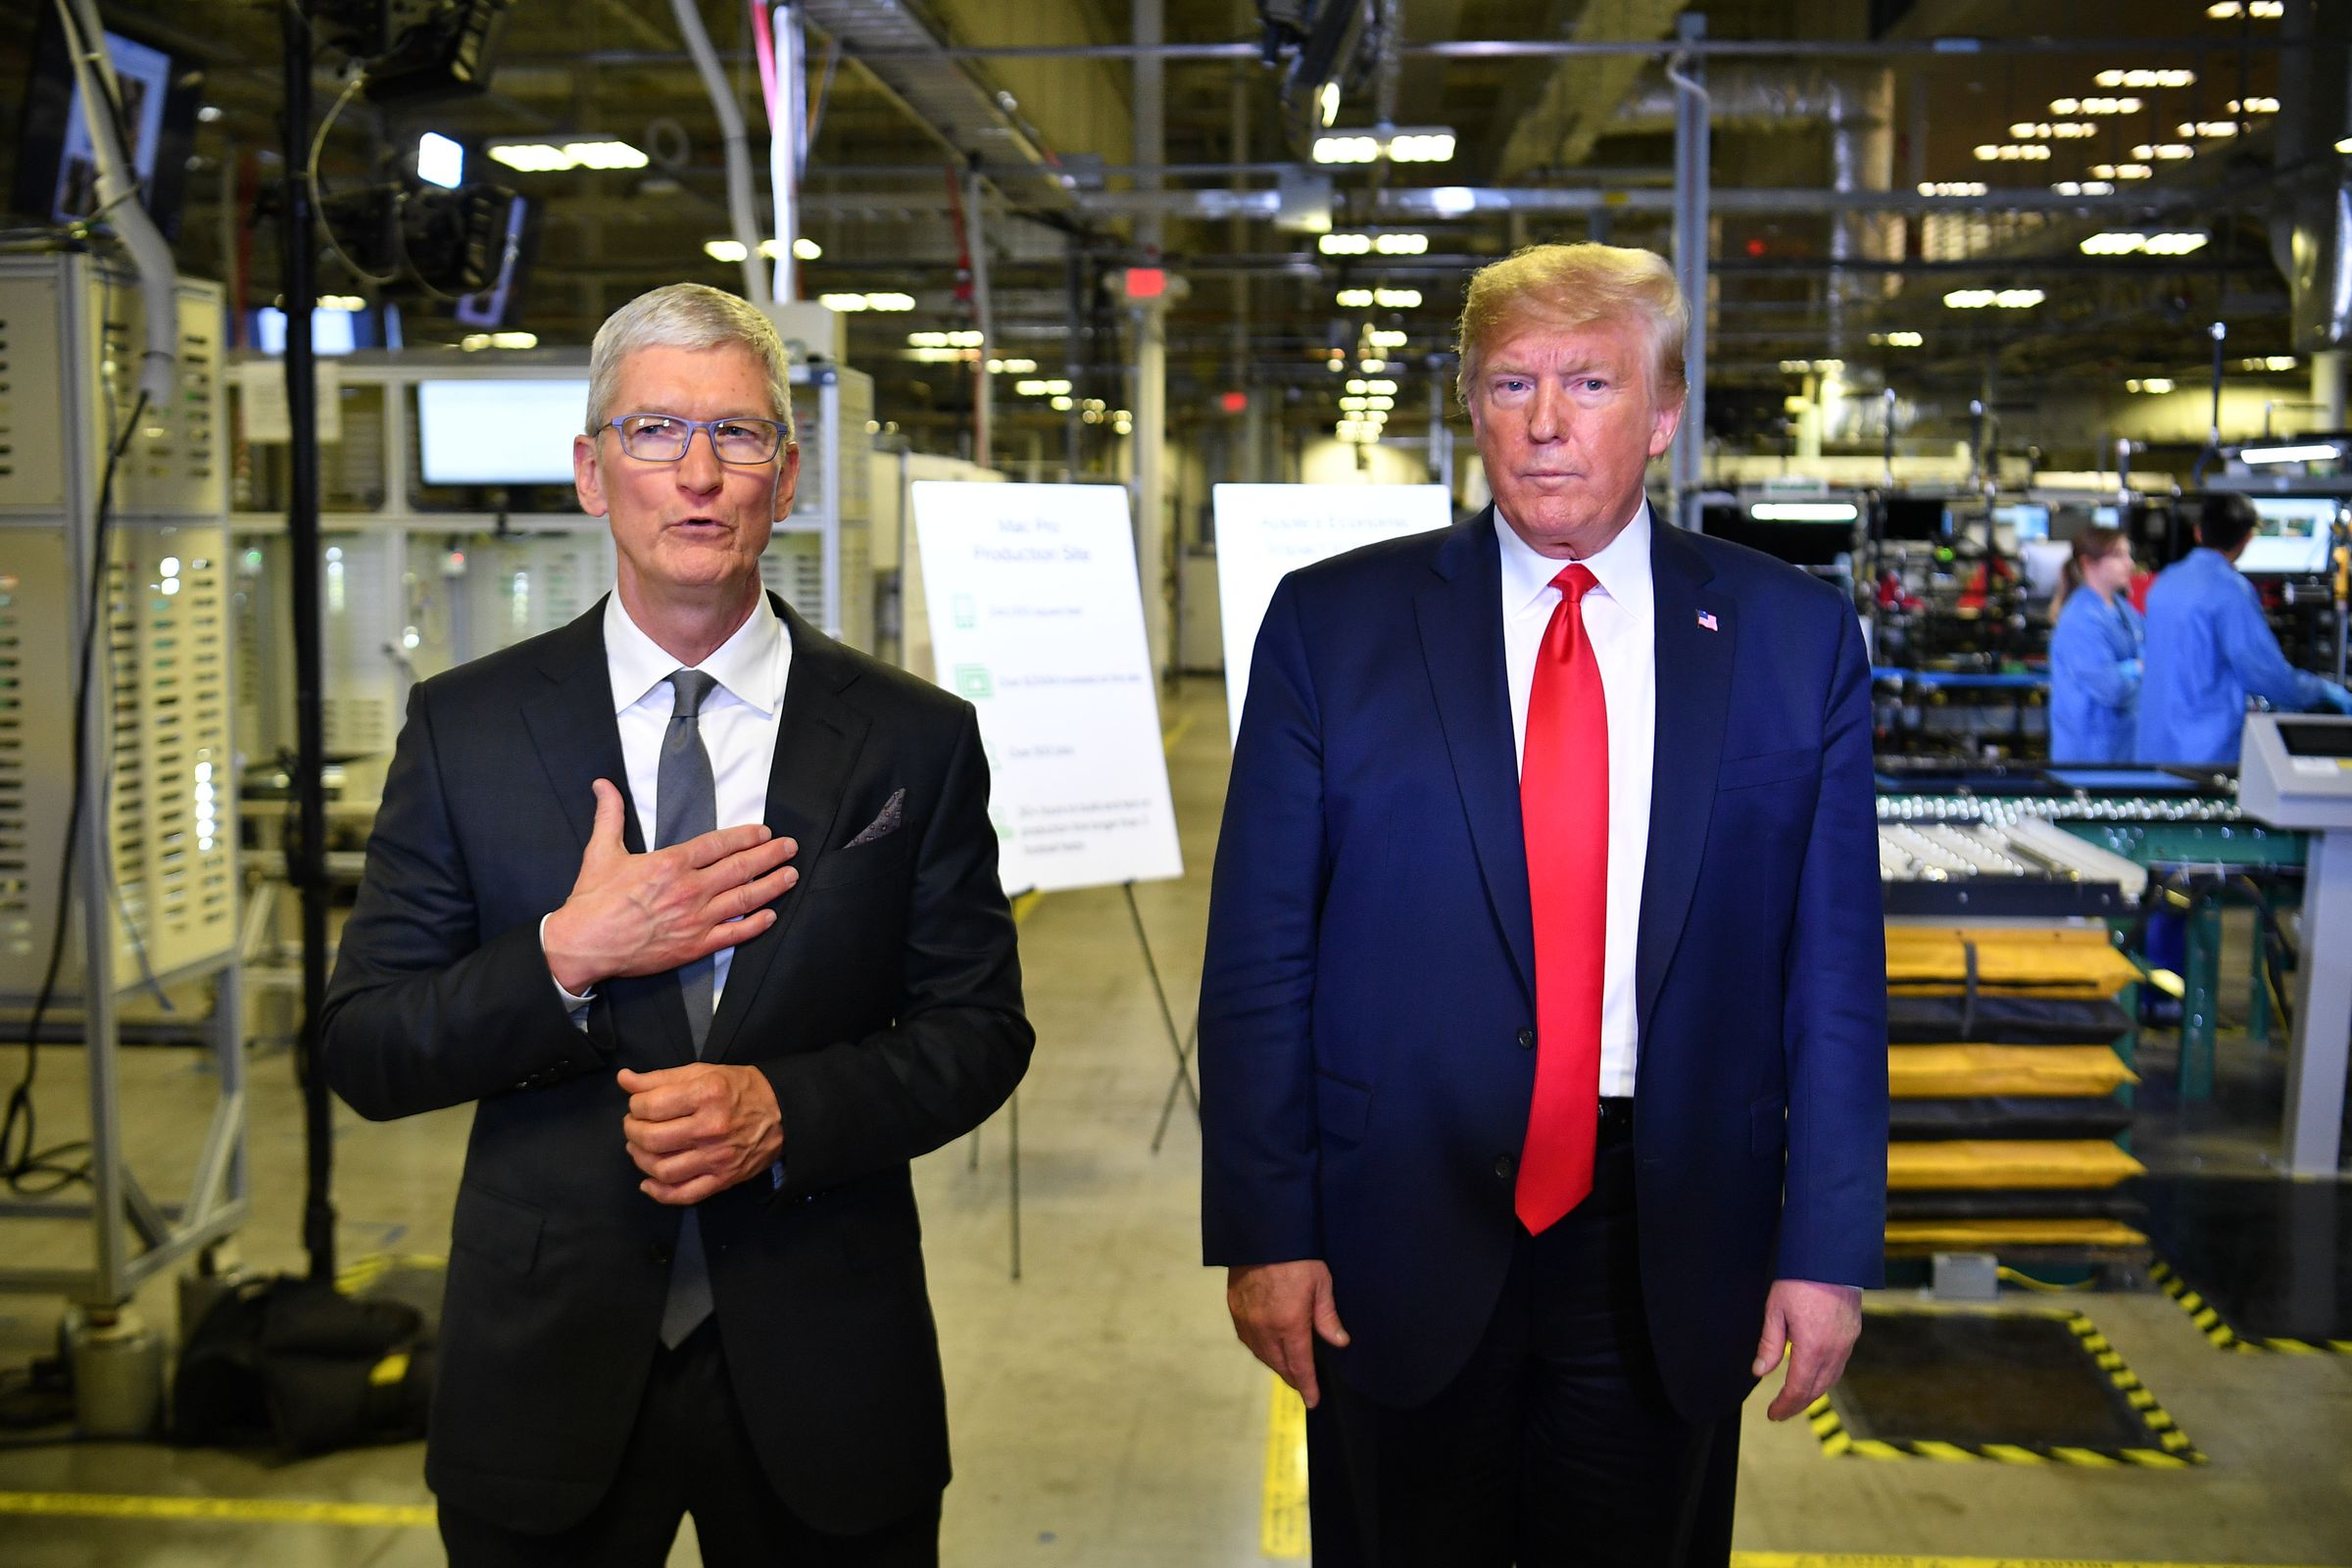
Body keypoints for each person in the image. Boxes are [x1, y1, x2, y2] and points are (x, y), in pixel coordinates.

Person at [320, 282, 1032, 1567]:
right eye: (653, 434)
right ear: (592, 474)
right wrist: (566, 957)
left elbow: (980, 1030)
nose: (698, 474)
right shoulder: (468, 728)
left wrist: (786, 1113)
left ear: (789, 474)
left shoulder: (911, 741)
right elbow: (367, 1045)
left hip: (828, 1360)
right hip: (544, 1371)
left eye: (739, 436)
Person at [1199, 243, 1887, 1567]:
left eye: (1591, 382)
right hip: (1393, 1218)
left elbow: (1835, 979)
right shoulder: (1333, 628)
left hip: (1672, 1224)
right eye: (1512, 383)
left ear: (1665, 413)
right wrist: (1266, 1226)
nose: (1548, 421)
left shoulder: (1790, 639)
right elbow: (1260, 957)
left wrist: (1829, 1245)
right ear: (1470, 406)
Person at [2136, 491, 2352, 763]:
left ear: (2198, 533)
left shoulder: (2165, 582)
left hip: (2154, 746)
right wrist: (2322, 692)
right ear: (2248, 538)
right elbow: (2264, 673)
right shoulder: (2230, 590)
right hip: (2204, 754)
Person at [2045, 526, 2144, 761]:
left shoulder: (2123, 609)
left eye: (2129, 555)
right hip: (2089, 754)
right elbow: (2111, 688)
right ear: (2089, 563)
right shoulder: (2080, 619)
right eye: (2118, 555)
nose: (2129, 563)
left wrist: (2131, 669)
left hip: (2122, 748)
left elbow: (2154, 657)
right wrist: (2137, 669)